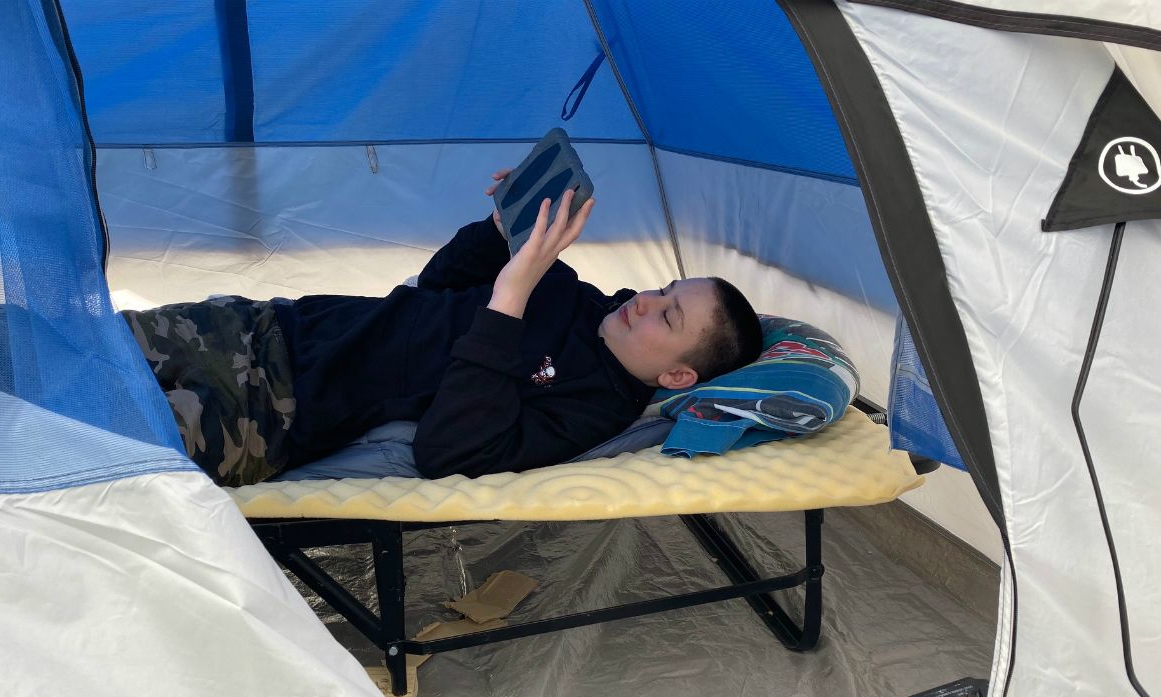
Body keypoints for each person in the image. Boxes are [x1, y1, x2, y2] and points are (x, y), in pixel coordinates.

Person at [123, 171, 763, 486]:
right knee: (60, 345)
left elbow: (452, 452)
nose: (646, 301)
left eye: (669, 315)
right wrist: (498, 231)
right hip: (270, 324)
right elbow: (437, 290)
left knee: (71, 441)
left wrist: (510, 298)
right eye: (663, 290)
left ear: (678, 375)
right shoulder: (574, 293)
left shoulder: (589, 409)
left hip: (271, 411)